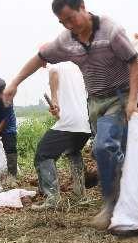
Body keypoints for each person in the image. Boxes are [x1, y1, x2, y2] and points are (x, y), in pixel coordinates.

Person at [3, 0, 138, 230]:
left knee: (103, 147)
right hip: (95, 102)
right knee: (109, 152)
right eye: (63, 22)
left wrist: (132, 100)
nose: (69, 25)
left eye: (71, 18)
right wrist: (15, 83)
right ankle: (126, 193)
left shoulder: (111, 31)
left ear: (83, 8)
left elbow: (134, 62)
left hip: (119, 97)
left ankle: (111, 205)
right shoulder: (66, 40)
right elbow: (39, 57)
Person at [30, 62, 93, 210]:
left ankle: (52, 198)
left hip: (69, 122)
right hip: (85, 122)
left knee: (43, 153)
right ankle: (80, 194)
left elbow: (53, 75)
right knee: (73, 152)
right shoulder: (78, 68)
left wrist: (55, 101)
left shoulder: (55, 67)